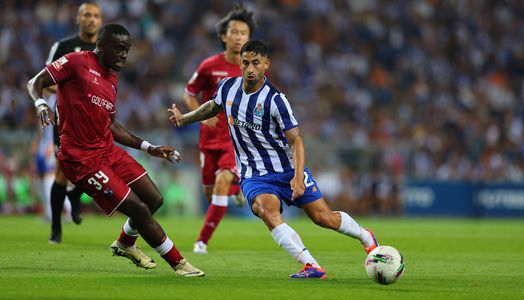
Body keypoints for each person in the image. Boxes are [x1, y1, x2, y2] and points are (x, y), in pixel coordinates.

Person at [169, 40, 378, 279]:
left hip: (288, 169)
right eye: (245, 62)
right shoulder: (227, 87)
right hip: (253, 173)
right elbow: (212, 107)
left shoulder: (276, 99)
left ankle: (364, 235)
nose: (249, 69)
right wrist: (185, 119)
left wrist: (298, 178)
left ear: (266, 64)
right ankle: (312, 266)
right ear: (240, 62)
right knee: (265, 209)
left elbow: (296, 141)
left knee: (324, 218)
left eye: (256, 63)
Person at [27, 23, 204, 277]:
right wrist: (41, 102)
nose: (124, 54)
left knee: (154, 199)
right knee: (139, 209)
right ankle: (179, 263)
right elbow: (36, 81)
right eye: (119, 48)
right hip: (81, 159)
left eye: (127, 50)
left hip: (107, 151)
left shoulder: (111, 80)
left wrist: (149, 147)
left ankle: (124, 243)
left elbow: (111, 125)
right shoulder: (77, 62)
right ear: (101, 46)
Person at [183, 5, 256, 254]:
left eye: (243, 32)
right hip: (208, 138)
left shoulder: (252, 69)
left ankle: (201, 241)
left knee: (222, 180)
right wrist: (200, 117)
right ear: (224, 36)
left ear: (248, 38)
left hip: (235, 141)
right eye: (233, 32)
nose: (238, 36)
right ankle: (237, 190)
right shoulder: (209, 66)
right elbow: (189, 92)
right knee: (210, 192)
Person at [45, 2, 103, 244]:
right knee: (61, 172)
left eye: (95, 16)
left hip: (96, 122)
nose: (91, 19)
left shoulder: (106, 49)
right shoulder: (64, 47)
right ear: (78, 19)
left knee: (94, 169)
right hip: (67, 120)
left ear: (101, 21)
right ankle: (56, 228)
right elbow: (45, 80)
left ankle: (76, 197)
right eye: (86, 15)